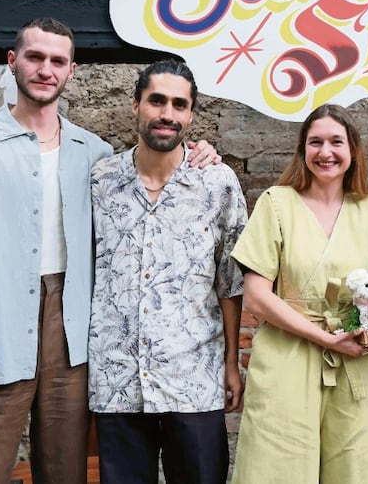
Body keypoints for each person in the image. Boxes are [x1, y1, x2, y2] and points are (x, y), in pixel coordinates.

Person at [0, 18, 217, 482]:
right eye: (35, 57)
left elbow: (155, 163)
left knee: (65, 472)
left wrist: (202, 151)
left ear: (71, 71)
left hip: (73, 337)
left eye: (58, 61)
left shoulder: (94, 154)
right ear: (13, 62)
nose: (45, 69)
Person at [88, 59, 247, 483]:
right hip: (117, 377)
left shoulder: (217, 182)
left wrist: (231, 363)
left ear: (191, 114)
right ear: (136, 104)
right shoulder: (100, 180)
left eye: (180, 104)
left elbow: (230, 283)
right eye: (157, 101)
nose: (167, 114)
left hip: (194, 377)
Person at [230, 104, 368, 484]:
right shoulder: (276, 203)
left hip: (354, 359)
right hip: (287, 354)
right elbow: (256, 297)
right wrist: (328, 340)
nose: (325, 152)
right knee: (278, 465)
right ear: (302, 150)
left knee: (353, 468)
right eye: (315, 142)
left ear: (353, 150)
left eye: (336, 142)